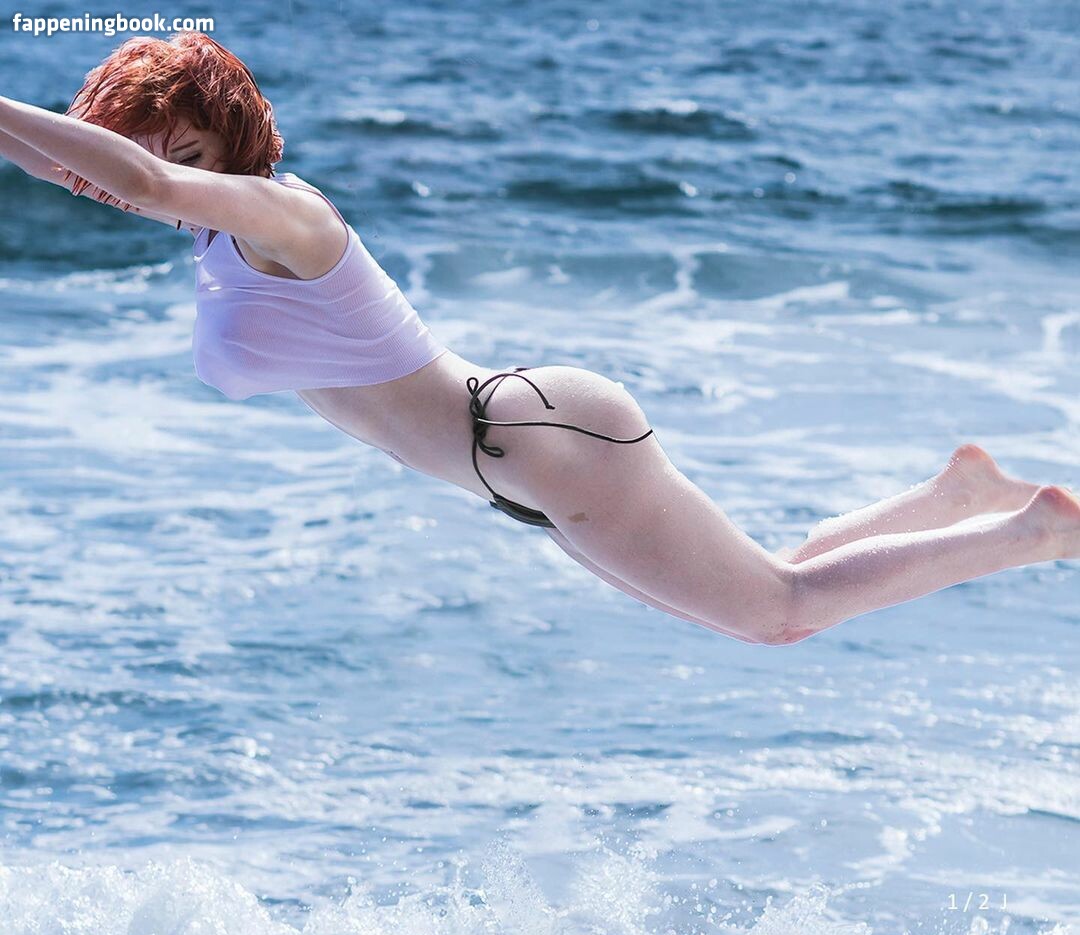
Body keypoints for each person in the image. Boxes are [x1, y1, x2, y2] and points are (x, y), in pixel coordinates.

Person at [1, 34, 1075, 645]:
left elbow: (139, 182)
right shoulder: (213, 231)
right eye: (147, 150)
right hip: (518, 461)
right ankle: (956, 495)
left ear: (230, 141)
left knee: (778, 615)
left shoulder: (284, 215)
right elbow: (94, 173)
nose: (159, 174)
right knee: (767, 582)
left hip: (534, 438)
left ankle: (1032, 531)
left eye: (185, 151)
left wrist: (131, 164)